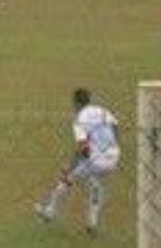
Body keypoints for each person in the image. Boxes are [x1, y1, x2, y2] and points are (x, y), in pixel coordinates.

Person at [35, 88, 120, 237]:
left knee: (67, 178)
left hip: (95, 160)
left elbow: (83, 149)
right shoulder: (102, 111)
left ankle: (49, 212)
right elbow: (115, 126)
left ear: (76, 103)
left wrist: (71, 166)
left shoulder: (80, 119)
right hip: (113, 157)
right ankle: (92, 223)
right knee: (94, 184)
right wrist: (110, 146)